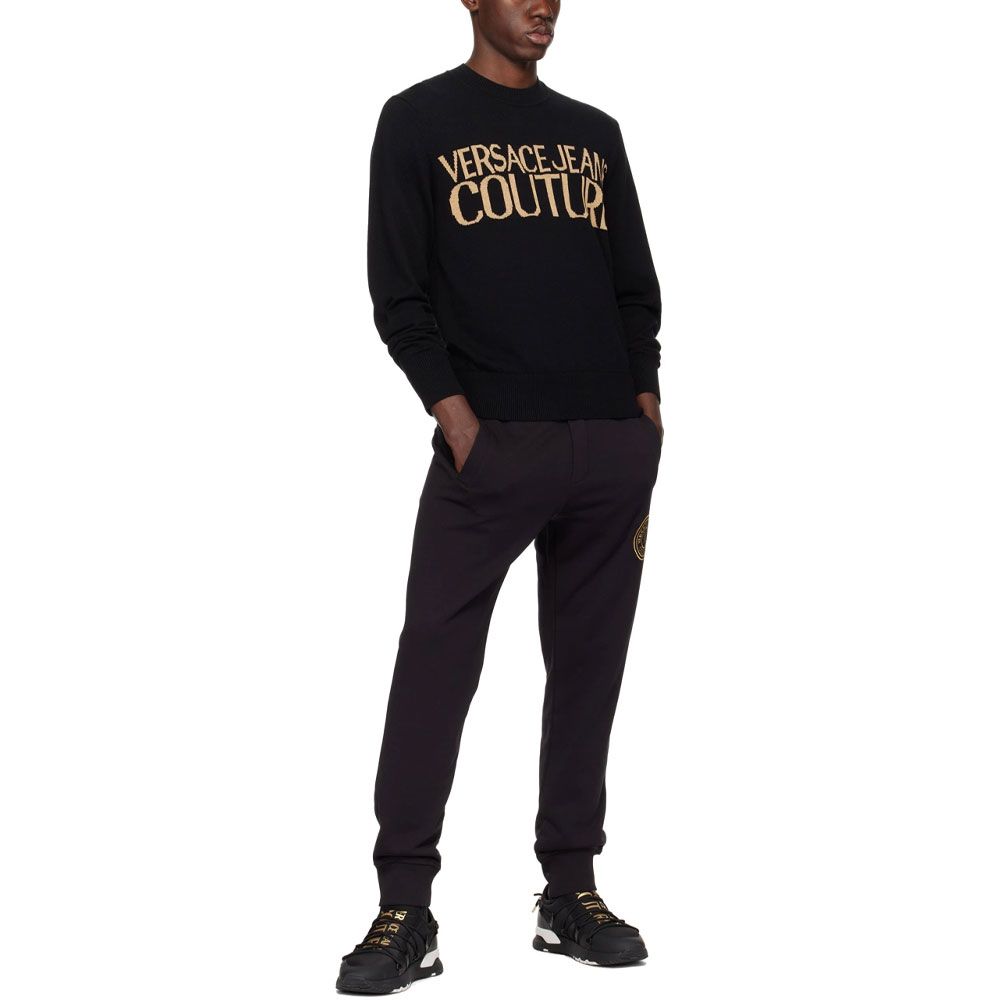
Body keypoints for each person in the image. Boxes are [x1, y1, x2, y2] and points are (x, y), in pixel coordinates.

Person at [337, 1, 662, 992]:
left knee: (588, 670)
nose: (543, 4)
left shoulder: (593, 133)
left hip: (608, 444)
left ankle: (570, 889)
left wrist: (642, 406)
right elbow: (398, 290)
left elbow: (634, 287)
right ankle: (405, 903)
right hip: (491, 446)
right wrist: (456, 416)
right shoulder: (418, 120)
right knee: (435, 664)